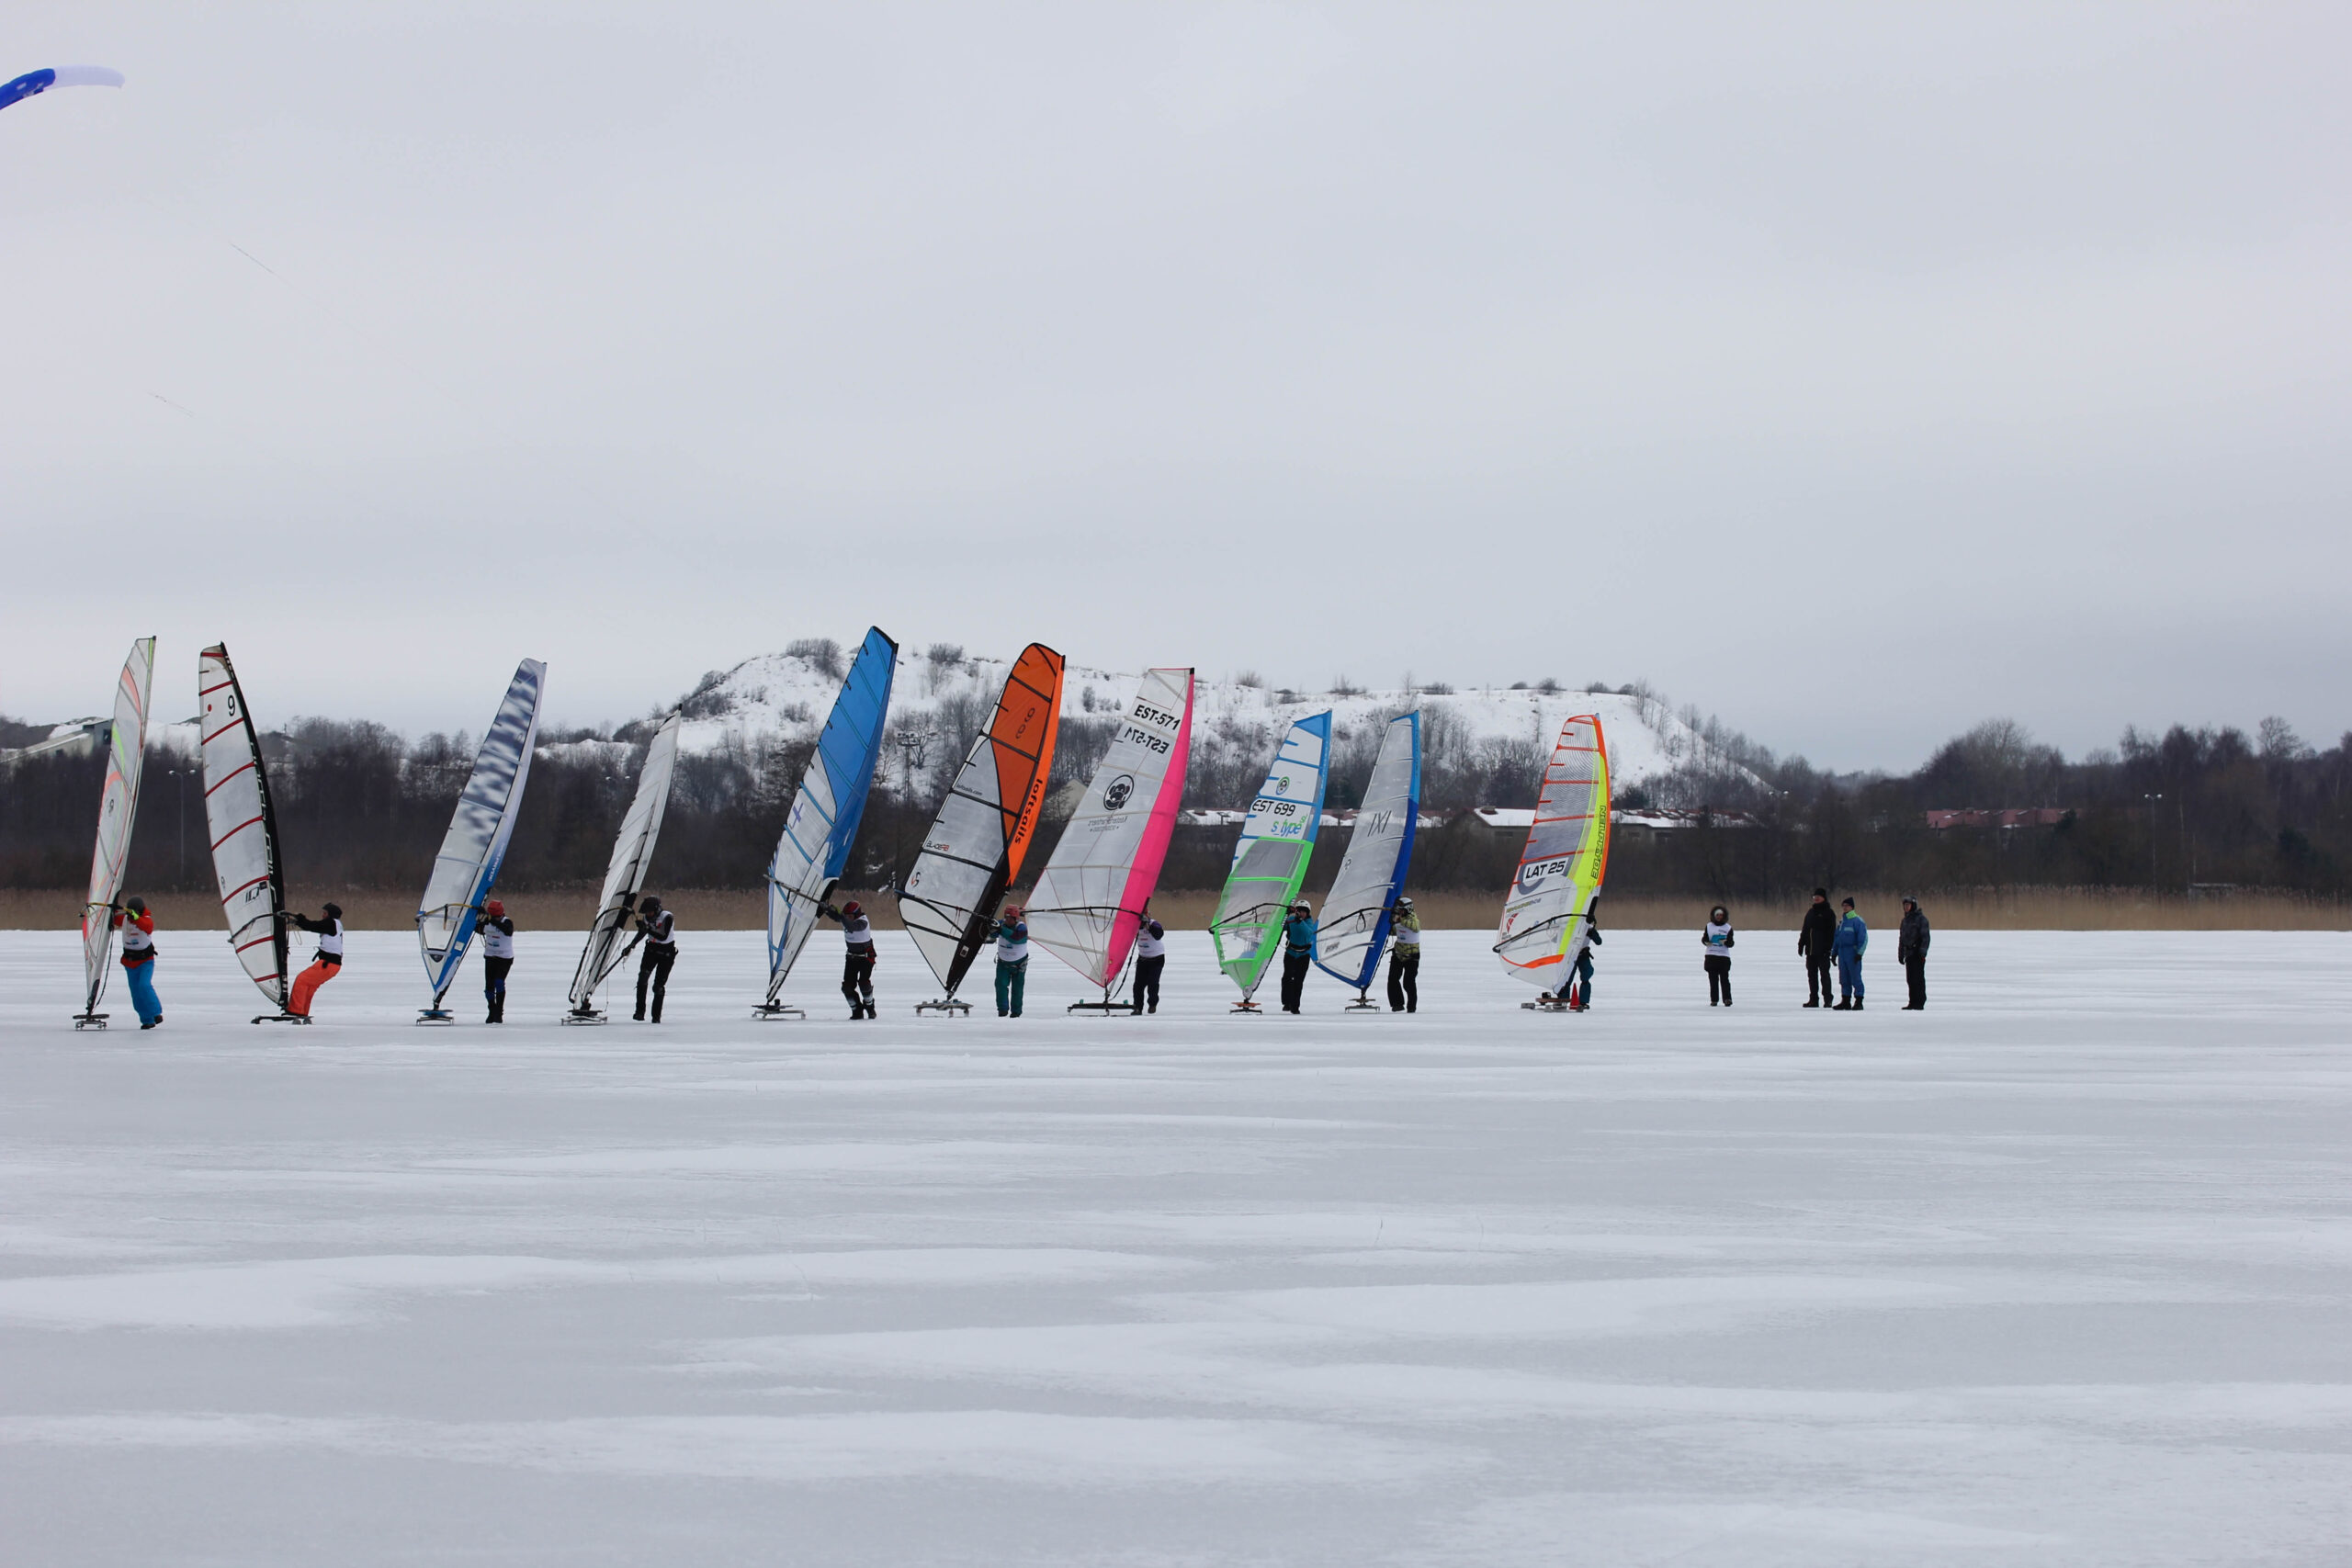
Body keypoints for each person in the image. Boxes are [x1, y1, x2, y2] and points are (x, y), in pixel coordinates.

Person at [820, 897, 877, 1019]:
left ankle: (870, 1007)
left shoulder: (862, 922)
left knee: (864, 983)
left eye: (850, 916)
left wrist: (841, 916)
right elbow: (839, 918)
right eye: (847, 916)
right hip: (851, 957)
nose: (848, 918)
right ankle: (857, 1011)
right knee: (847, 987)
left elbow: (850, 926)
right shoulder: (847, 919)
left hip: (866, 958)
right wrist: (827, 909)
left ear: (857, 914)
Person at [287, 903, 345, 1019]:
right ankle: (302, 1011)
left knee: (302, 980)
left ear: (330, 915)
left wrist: (300, 919)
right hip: (332, 965)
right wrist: (298, 920)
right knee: (309, 986)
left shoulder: (331, 923)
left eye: (325, 913)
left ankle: (295, 1011)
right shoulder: (335, 924)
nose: (323, 915)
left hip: (327, 964)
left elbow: (312, 926)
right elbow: (314, 925)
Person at [112, 895, 162, 1029]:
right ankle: (147, 1020)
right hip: (130, 963)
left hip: (145, 962)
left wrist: (136, 918)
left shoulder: (146, 920)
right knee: (136, 993)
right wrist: (113, 909)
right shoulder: (125, 920)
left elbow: (146, 927)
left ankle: (156, 1013)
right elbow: (113, 919)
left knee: (144, 986)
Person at [632, 895, 676, 1022]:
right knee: (642, 978)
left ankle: (656, 1018)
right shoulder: (647, 917)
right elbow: (643, 933)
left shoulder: (667, 917)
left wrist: (647, 928)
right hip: (651, 950)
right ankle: (639, 1012)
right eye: (647, 913)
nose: (648, 915)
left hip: (666, 954)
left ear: (656, 909)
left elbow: (663, 936)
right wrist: (632, 944)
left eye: (650, 912)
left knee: (658, 987)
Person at [1798, 887, 1837, 1009]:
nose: (1816, 899)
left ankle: (1828, 999)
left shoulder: (1829, 913)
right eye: (1814, 897)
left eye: (1818, 897)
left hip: (1823, 950)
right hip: (1810, 950)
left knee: (1824, 975)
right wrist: (1801, 944)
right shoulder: (1810, 912)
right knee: (1812, 975)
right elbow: (1805, 930)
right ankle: (1813, 999)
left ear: (1824, 898)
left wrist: (1828, 948)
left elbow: (1831, 933)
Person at [478, 898, 514, 1023]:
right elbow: (477, 929)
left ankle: (499, 1012)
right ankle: (491, 1010)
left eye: (497, 917)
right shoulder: (487, 922)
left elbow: (508, 932)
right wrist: (478, 916)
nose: (496, 919)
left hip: (504, 959)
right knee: (489, 988)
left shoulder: (507, 922)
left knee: (499, 982)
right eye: (494, 917)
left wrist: (493, 921)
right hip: (490, 957)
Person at [1279, 900, 1316, 1014]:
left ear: (1308, 913)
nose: (1302, 913)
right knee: (1287, 978)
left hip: (1303, 956)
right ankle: (1286, 1003)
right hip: (1290, 953)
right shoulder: (1291, 920)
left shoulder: (1309, 922)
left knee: (1298, 981)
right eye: (1300, 911)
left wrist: (1300, 921)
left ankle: (1295, 1006)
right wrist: (1285, 914)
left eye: (1304, 912)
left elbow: (1308, 933)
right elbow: (1280, 927)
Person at [992, 904, 1029, 1018]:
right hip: (1003, 963)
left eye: (1010, 918)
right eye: (1006, 917)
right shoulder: (1001, 924)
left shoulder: (1021, 928)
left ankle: (1016, 1013)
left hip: (1019, 965)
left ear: (1016, 918)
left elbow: (1016, 939)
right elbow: (993, 933)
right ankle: (1002, 1010)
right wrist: (991, 926)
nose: (1007, 920)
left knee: (1017, 989)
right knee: (1000, 985)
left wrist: (1000, 929)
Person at [1385, 897, 1420, 1012]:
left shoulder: (1412, 919)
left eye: (1402, 910)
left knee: (1408, 982)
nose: (1400, 913)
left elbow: (1415, 927)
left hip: (1411, 957)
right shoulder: (1399, 921)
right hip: (1398, 954)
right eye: (1399, 910)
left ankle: (1411, 1008)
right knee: (1393, 979)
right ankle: (1397, 1004)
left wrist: (1400, 920)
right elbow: (1393, 931)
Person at [1833, 897, 1868, 1010]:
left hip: (1852, 953)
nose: (1844, 908)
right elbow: (1837, 939)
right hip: (1842, 953)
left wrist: (1859, 953)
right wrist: (1834, 953)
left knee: (1855, 977)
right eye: (1843, 906)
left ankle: (1859, 1000)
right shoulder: (1842, 922)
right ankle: (1846, 1000)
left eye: (1847, 906)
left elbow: (1863, 939)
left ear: (1852, 907)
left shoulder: (1857, 921)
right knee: (1844, 978)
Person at [1897, 896, 1931, 1010]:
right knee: (1910, 979)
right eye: (1905, 905)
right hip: (1909, 953)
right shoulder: (1905, 920)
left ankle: (1919, 1002)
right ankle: (1912, 1001)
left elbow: (1926, 938)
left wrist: (1922, 952)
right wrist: (1901, 953)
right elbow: (1901, 938)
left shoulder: (1921, 919)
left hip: (1917, 953)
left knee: (1918, 979)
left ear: (1913, 906)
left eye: (1908, 905)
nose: (1906, 907)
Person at [1131, 917, 1166, 1014]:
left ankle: (1152, 1004)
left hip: (1157, 958)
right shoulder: (1134, 925)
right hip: (1143, 959)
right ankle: (1138, 1008)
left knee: (1153, 983)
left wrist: (1149, 927)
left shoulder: (1154, 924)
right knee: (1138, 985)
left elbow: (1159, 935)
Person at [1702, 905, 1735, 1006]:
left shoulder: (1728, 928)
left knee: (1725, 979)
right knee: (1713, 980)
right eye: (1717, 915)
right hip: (1711, 955)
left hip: (1723, 957)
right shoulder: (1709, 926)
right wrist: (1706, 942)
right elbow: (1704, 939)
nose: (1719, 917)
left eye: (1721, 915)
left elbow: (1731, 943)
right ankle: (1714, 1000)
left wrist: (1725, 942)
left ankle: (1727, 999)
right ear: (1714, 916)